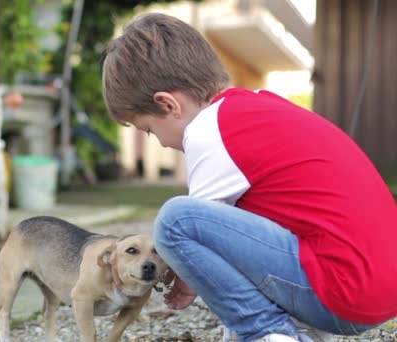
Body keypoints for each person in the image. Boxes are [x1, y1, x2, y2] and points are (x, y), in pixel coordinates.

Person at [101, 12, 397, 342]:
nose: (163, 142)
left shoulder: (210, 130)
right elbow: (233, 240)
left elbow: (194, 236)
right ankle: (296, 330)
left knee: (174, 222)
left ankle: (266, 333)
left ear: (168, 105)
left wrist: (186, 278)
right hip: (378, 287)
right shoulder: (257, 110)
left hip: (343, 292)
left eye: (150, 131)